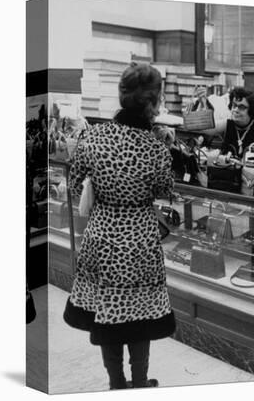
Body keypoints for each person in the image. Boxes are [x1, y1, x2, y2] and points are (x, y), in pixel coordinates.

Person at [63, 62, 176, 390]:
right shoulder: (155, 147)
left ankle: (116, 383)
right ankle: (139, 384)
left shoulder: (94, 136)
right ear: (153, 103)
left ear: (121, 96)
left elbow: (74, 185)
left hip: (101, 235)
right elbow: (164, 189)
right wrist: (165, 147)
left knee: (107, 312)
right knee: (138, 317)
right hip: (139, 237)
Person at [220, 86, 254, 156]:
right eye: (234, 105)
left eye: (241, 107)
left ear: (251, 110)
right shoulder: (228, 124)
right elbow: (203, 128)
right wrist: (203, 104)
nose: (236, 110)